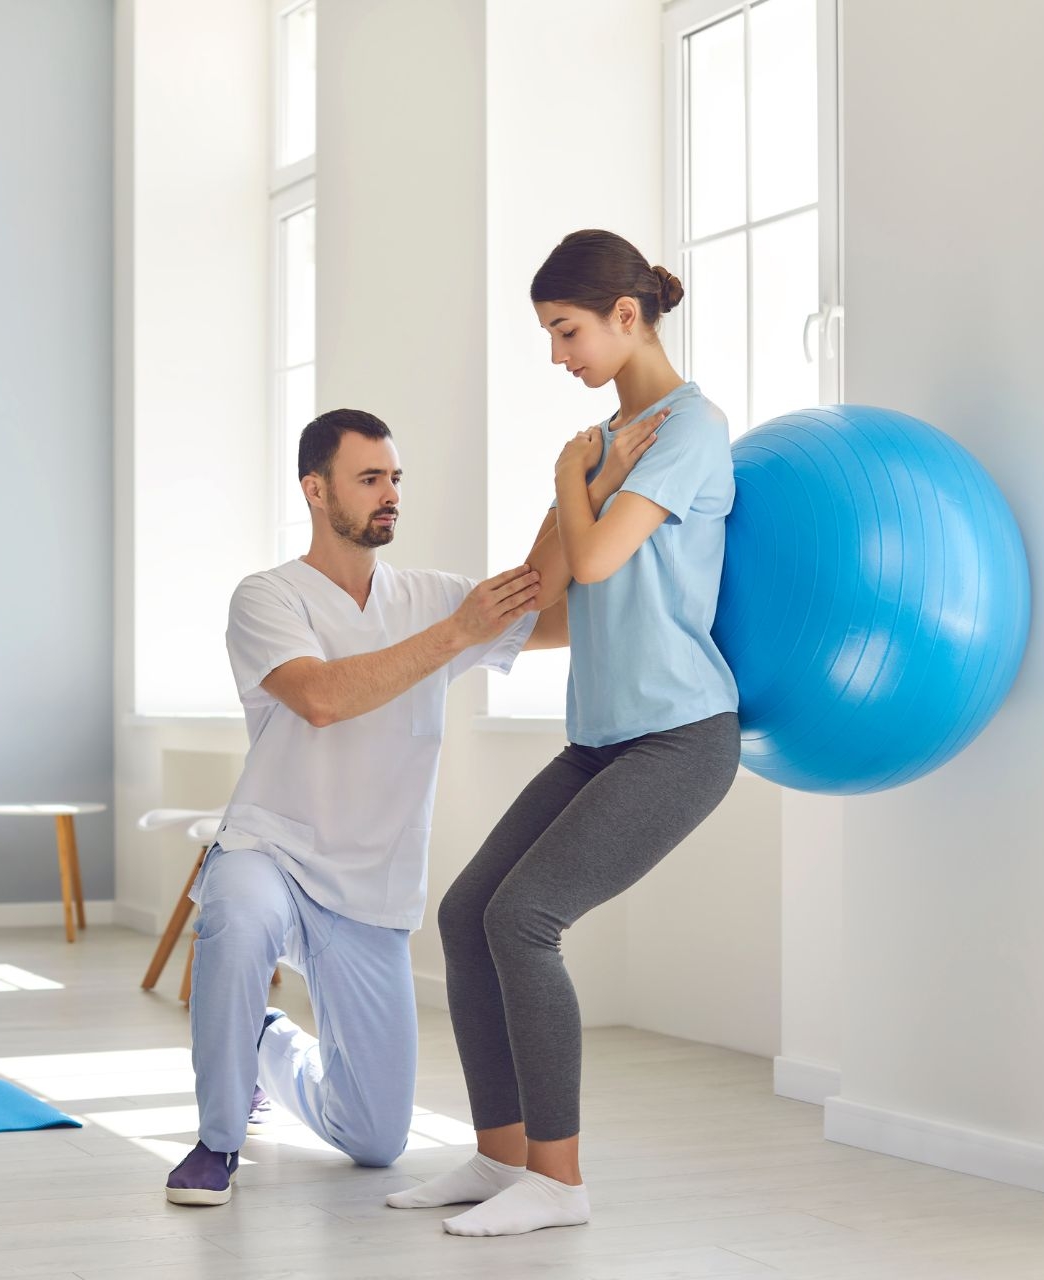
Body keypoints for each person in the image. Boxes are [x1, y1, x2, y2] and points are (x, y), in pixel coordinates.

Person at [390, 229, 742, 1237]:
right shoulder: (602, 442)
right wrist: (580, 469)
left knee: (524, 918)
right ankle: (502, 1157)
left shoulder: (691, 429)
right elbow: (548, 583)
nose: (559, 355)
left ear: (626, 317)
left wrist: (567, 471)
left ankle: (560, 1176)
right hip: (602, 737)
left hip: (681, 734)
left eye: (566, 330)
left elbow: (595, 564)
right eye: (549, 334)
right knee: (468, 913)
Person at [165, 407, 572, 1206]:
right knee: (239, 921)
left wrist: (572, 495)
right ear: (315, 490)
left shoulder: (432, 597)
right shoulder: (267, 597)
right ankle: (216, 1141)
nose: (390, 495)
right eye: (369, 479)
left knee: (379, 1141)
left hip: (371, 883)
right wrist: (456, 634)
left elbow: (546, 611)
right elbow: (319, 697)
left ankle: (267, 1044)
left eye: (394, 479)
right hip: (270, 848)